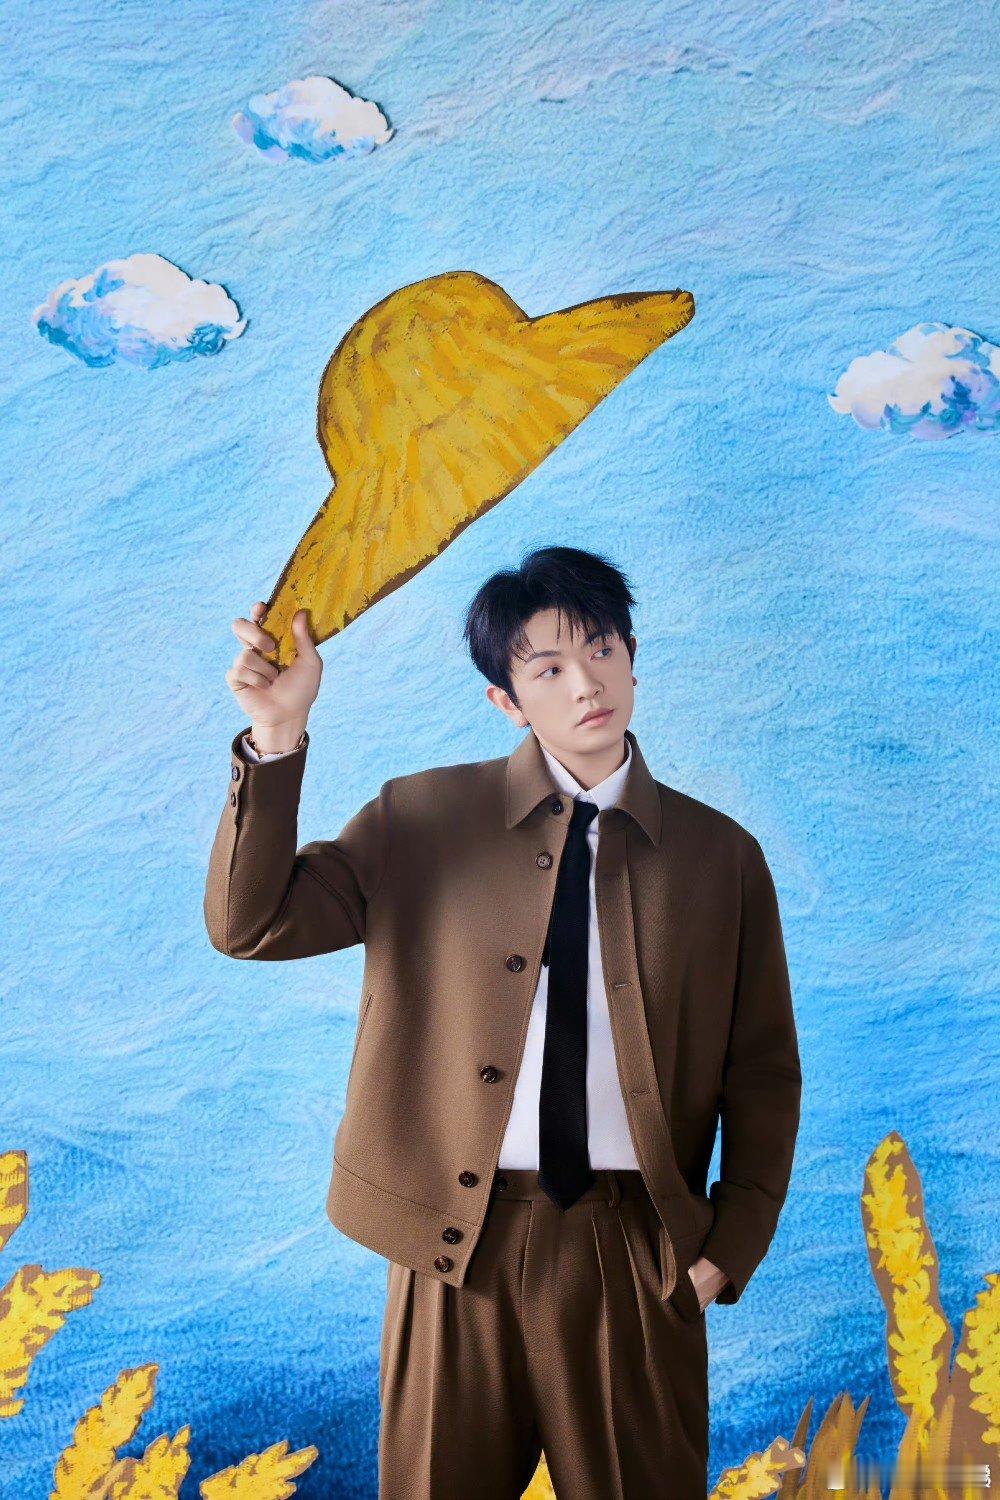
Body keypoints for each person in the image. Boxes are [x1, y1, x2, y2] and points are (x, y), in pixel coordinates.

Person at [204, 545, 801, 1499]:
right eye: (547, 668)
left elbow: (763, 1070)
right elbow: (251, 925)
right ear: (506, 701)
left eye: (601, 650)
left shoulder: (721, 857)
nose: (586, 684)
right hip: (452, 1249)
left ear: (633, 658)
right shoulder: (421, 817)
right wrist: (277, 736)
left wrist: (729, 1249)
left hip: (634, 1249)